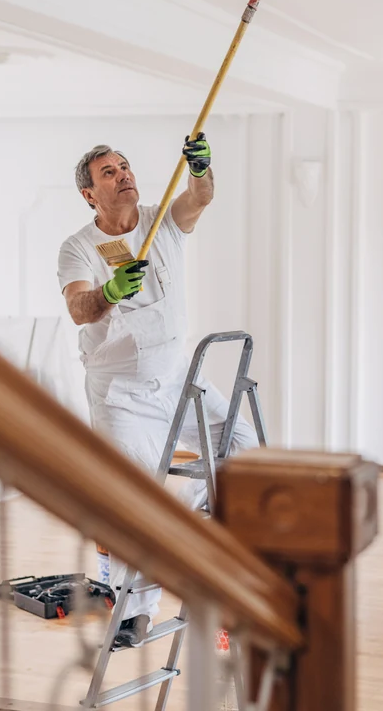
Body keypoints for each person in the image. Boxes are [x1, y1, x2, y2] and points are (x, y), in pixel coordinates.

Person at [56, 134, 258, 647]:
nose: (122, 174)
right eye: (108, 172)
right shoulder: (79, 247)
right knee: (132, 500)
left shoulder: (160, 222)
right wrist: (108, 292)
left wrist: (200, 169)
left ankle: (194, 532)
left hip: (177, 377)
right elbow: (79, 308)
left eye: (125, 165)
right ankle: (134, 612)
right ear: (88, 193)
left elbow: (200, 198)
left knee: (244, 447)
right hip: (122, 395)